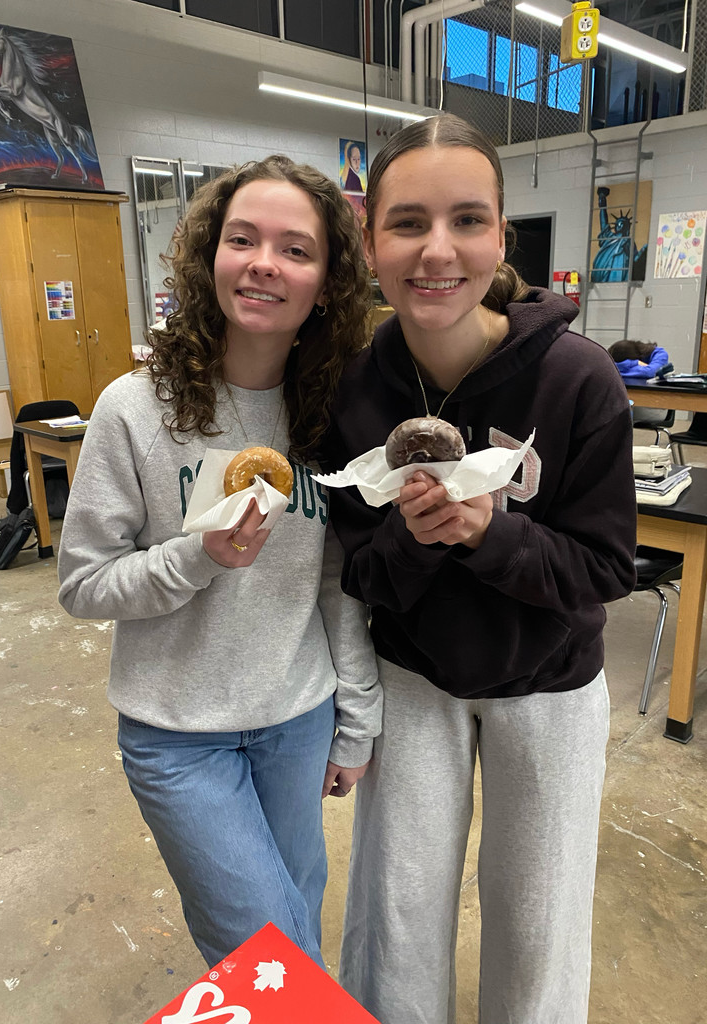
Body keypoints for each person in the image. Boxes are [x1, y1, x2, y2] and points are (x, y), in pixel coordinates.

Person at [323, 114, 637, 1024]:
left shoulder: (578, 381)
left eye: (467, 220)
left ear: (501, 237)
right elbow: (361, 574)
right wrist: (419, 538)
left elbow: (606, 567)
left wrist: (488, 536)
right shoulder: (355, 390)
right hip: (416, 676)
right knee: (399, 908)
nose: (437, 250)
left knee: (537, 918)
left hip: (550, 685)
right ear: (371, 241)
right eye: (407, 222)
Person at [57, 154, 382, 969]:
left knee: (292, 920)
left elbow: (337, 580)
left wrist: (355, 720)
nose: (265, 262)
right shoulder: (134, 409)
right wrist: (196, 559)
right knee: (275, 958)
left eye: (296, 248)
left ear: (327, 281)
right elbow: (83, 584)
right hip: (176, 735)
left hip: (296, 720)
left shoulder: (330, 410)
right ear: (211, 257)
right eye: (244, 238)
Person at [608, 338, 671, 424]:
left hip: (654, 408)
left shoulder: (660, 354)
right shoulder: (635, 361)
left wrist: (625, 366)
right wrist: (634, 364)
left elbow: (650, 372)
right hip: (631, 403)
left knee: (611, 411)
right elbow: (607, 368)